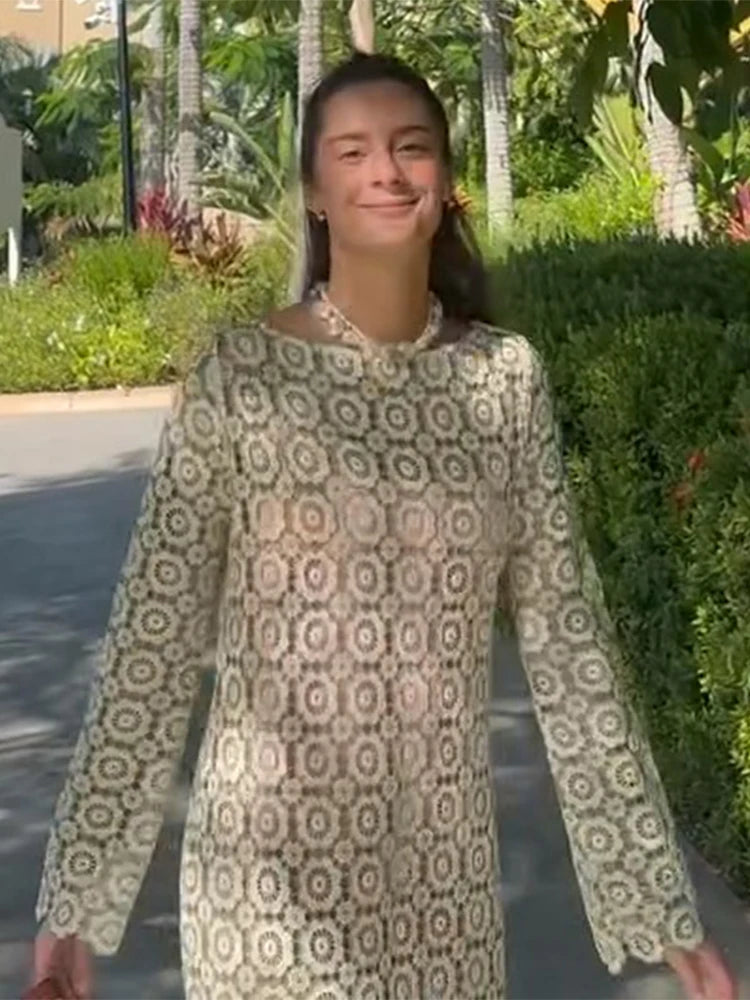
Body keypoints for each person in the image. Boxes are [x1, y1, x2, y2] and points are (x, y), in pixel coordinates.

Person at [30, 51, 736, 1000]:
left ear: (444, 181)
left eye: (411, 147)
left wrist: (659, 907)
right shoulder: (240, 378)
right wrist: (76, 902)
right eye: (353, 151)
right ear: (315, 193)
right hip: (265, 889)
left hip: (447, 892)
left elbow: (571, 646)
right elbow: (150, 646)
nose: (387, 173)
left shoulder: (504, 380)